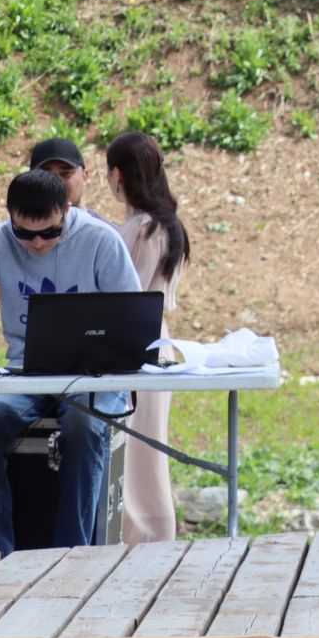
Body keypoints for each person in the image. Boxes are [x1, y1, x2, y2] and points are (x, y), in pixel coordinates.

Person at [0, 169, 142, 554]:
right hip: (25, 374)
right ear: (10, 215)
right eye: (25, 233)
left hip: (95, 375)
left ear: (67, 211)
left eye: (49, 233)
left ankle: (71, 554)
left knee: (85, 426)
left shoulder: (101, 240)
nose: (36, 244)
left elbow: (133, 315)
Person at [105, 131, 190, 545]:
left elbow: (128, 291)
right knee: (144, 448)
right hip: (154, 342)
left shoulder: (144, 227)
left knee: (140, 451)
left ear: (116, 174)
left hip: (140, 346)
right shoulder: (160, 224)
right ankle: (147, 535)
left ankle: (150, 537)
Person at [29, 137, 114, 226]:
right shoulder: (15, 235)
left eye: (65, 174)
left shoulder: (106, 236)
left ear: (84, 176)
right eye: (45, 175)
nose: (55, 182)